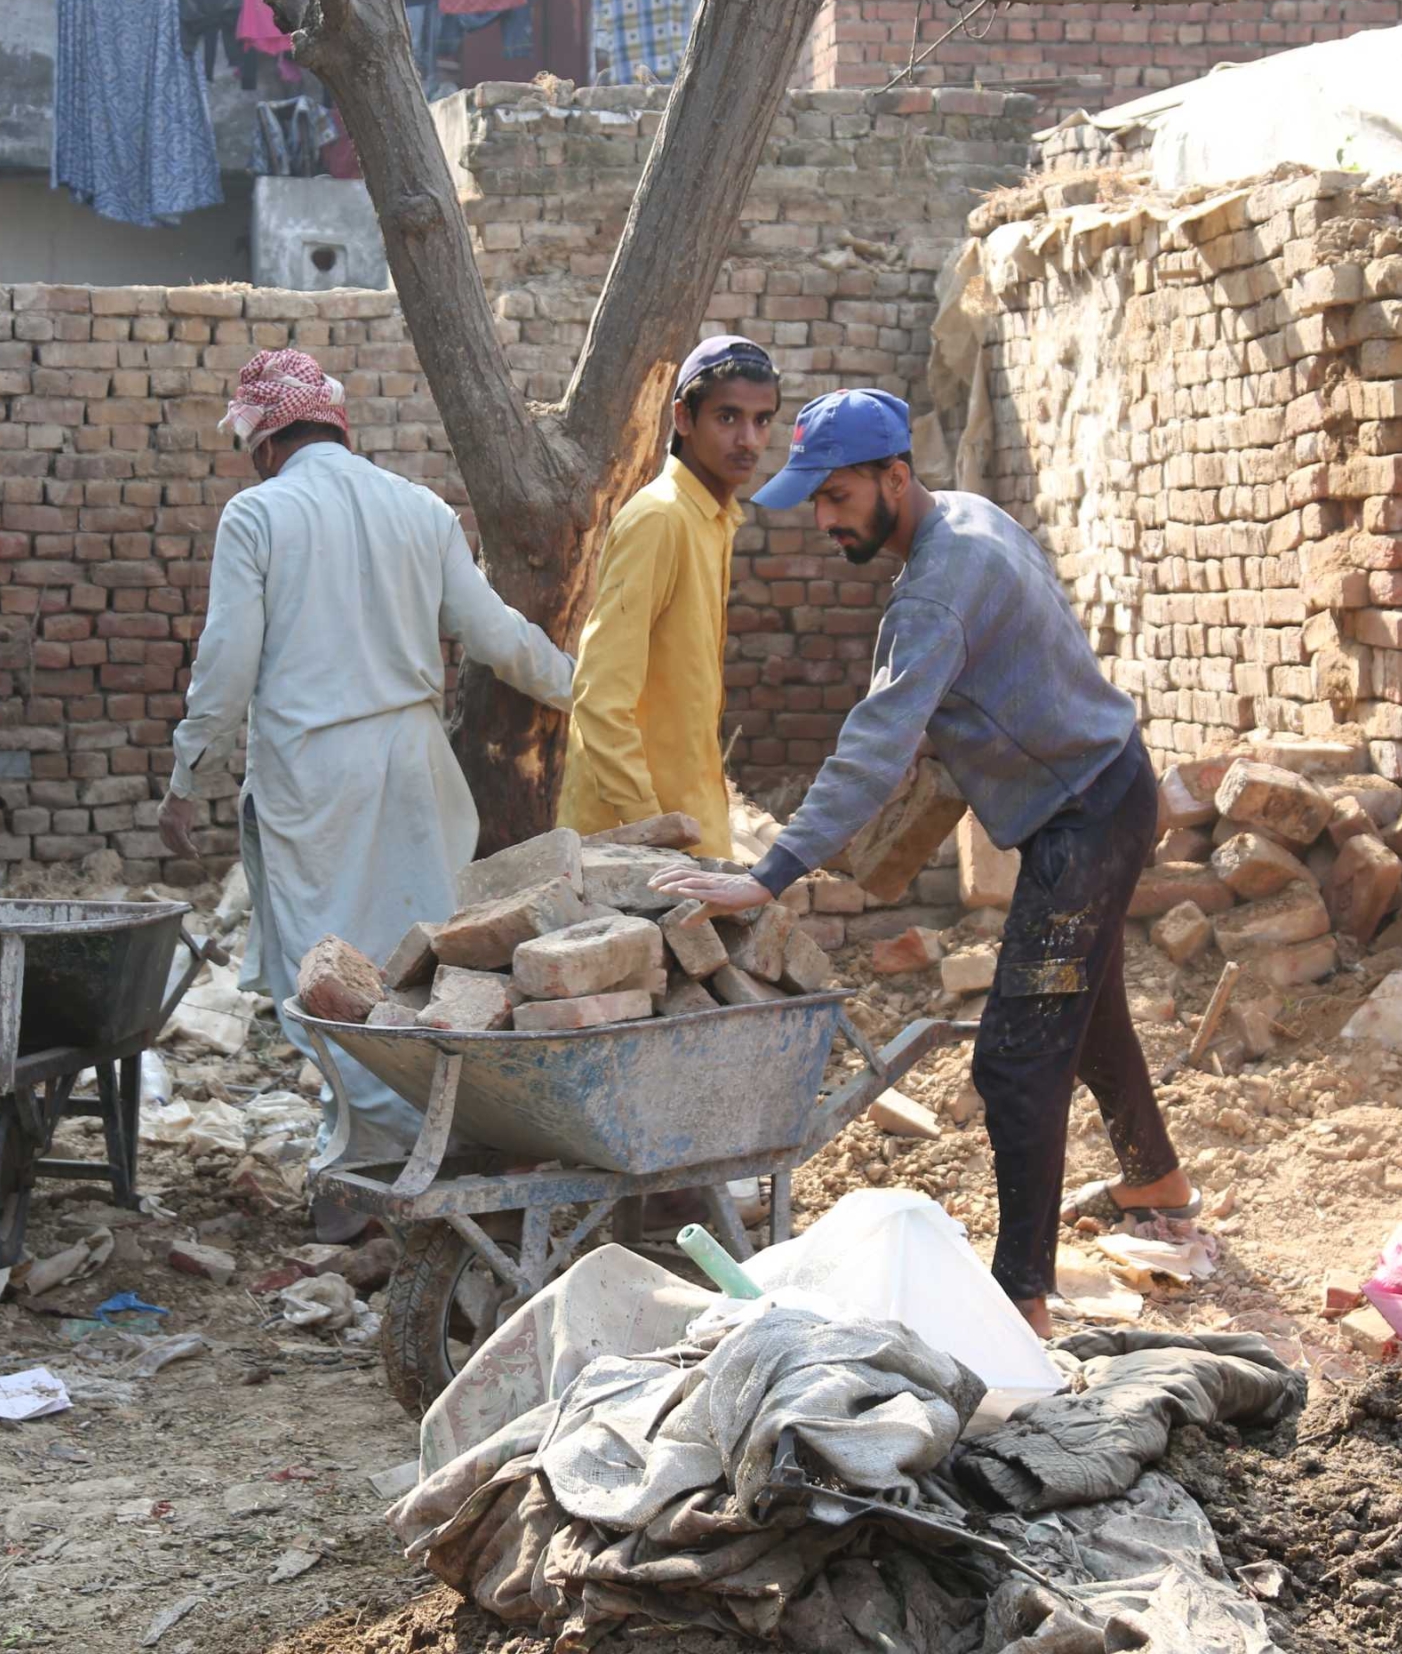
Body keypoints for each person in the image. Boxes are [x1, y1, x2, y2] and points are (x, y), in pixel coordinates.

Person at [648, 390, 1197, 1337]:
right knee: (1085, 1006)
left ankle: (1022, 1299)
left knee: (1018, 1059)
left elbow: (871, 748)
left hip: (1087, 820)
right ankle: (1157, 1180)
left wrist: (768, 873)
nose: (823, 521)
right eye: (816, 501)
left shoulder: (934, 595)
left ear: (895, 478)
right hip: (1106, 785)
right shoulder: (973, 517)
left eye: (836, 498)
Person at [157, 350, 574, 1174]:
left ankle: (368, 1156)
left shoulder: (256, 516)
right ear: (337, 424)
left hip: (314, 776)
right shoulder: (420, 509)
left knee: (326, 966)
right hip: (416, 764)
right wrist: (582, 689)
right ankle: (425, 1139)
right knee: (407, 957)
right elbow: (495, 637)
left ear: (265, 440)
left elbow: (225, 669)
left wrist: (186, 779)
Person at [556, 336, 779, 850]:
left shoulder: (714, 520)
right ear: (683, 418)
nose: (748, 439)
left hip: (689, 829)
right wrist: (650, 831)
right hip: (635, 845)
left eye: (762, 420)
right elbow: (600, 697)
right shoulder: (660, 518)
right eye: (728, 418)